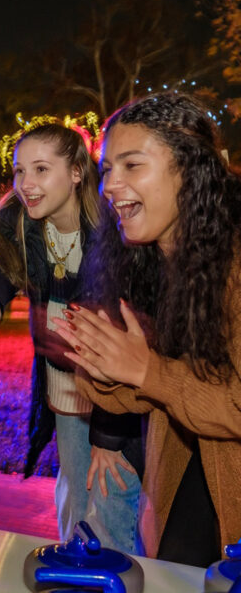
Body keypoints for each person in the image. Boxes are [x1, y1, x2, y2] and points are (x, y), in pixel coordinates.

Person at [53, 92, 241, 567]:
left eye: (132, 165)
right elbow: (146, 393)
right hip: (190, 470)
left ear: (190, 169)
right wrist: (102, 363)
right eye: (108, 168)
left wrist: (148, 370)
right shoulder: (152, 258)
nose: (111, 184)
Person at [0, 123, 143, 553]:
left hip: (117, 395)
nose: (27, 184)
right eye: (20, 171)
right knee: (77, 502)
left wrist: (111, 435)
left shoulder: (114, 229)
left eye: (41, 169)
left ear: (77, 172)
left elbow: (133, 330)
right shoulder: (19, 220)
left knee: (113, 500)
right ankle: (77, 572)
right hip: (65, 389)